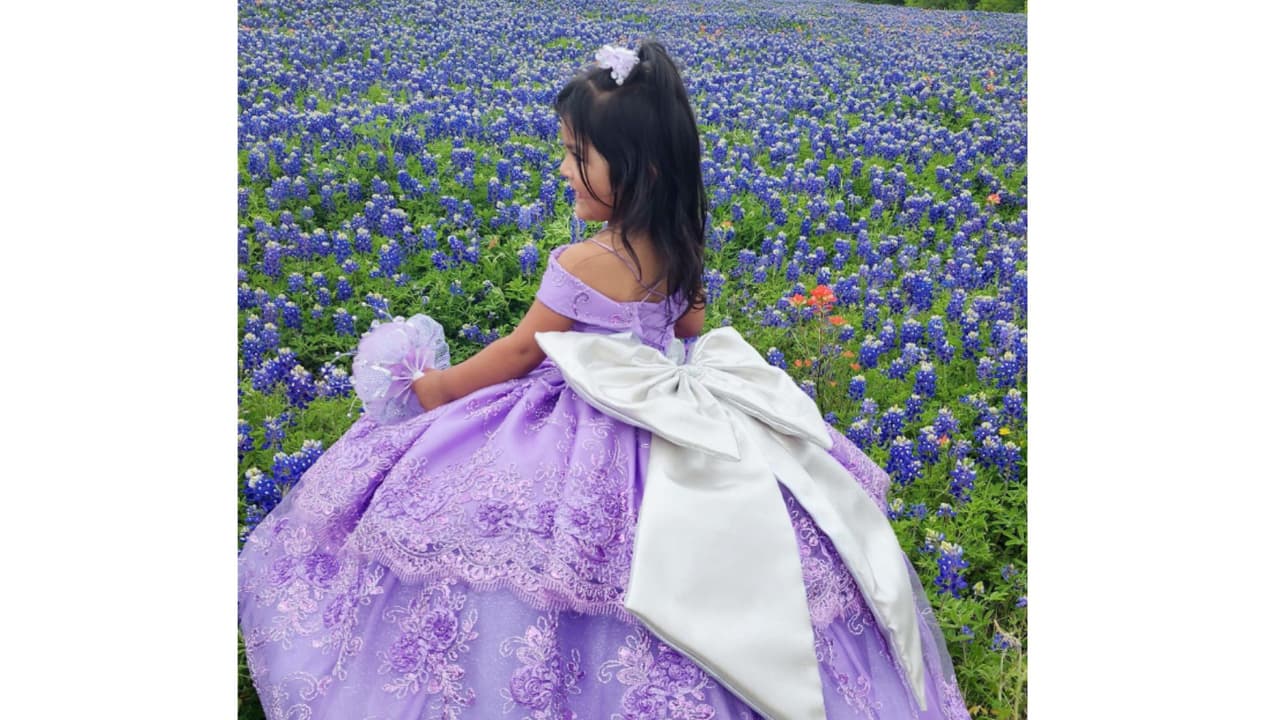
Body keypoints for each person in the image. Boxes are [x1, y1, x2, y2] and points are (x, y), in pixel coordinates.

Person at [239, 40, 972, 720]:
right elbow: (687, 330)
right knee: (689, 559)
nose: (563, 168)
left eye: (576, 154)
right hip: (672, 426)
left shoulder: (584, 260)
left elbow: (525, 352)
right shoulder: (681, 243)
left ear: (638, 168)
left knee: (532, 554)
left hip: (577, 427)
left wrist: (439, 388)